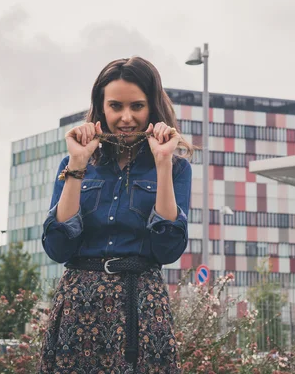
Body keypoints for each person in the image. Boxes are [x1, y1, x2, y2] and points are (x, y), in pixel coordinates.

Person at [39, 57, 193, 373]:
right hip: (79, 305)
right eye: (115, 106)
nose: (126, 117)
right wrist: (78, 165)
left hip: (142, 305)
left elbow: (168, 249)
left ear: (152, 107)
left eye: (137, 106)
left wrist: (162, 163)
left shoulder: (176, 169)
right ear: (101, 108)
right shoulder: (74, 164)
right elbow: (58, 248)